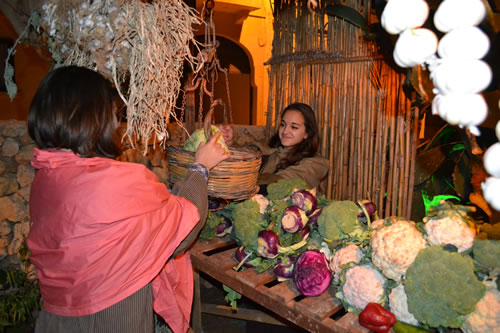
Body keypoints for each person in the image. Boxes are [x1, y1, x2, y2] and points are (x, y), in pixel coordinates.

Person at [26, 65, 229, 333]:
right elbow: (181, 230)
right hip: (112, 319)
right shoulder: (114, 180)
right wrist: (201, 167)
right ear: (93, 118)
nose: (115, 122)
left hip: (57, 318)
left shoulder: (47, 175)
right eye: (111, 113)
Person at [219, 102, 329, 192]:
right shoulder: (272, 152)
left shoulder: (316, 164)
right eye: (283, 124)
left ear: (307, 133)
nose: (285, 131)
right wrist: (230, 143)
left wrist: (242, 182)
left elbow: (283, 182)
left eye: (294, 127)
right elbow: (248, 153)